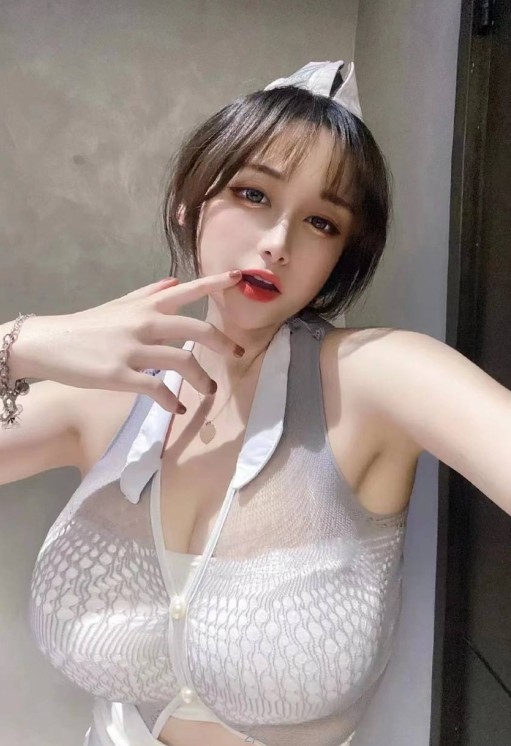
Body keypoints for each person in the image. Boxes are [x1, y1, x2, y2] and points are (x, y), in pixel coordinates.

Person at [0, 60, 411, 746]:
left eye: (320, 221)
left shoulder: (376, 379)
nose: (277, 244)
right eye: (253, 194)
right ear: (187, 205)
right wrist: (24, 344)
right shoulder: (101, 403)